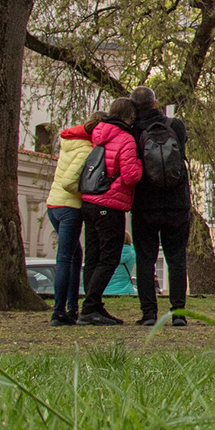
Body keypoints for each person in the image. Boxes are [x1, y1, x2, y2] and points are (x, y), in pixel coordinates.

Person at [128, 87, 194, 329]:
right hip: (177, 203)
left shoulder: (133, 131)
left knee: (146, 260)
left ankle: (148, 314)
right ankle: (178, 313)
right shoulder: (175, 126)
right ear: (155, 103)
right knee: (176, 258)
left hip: (145, 204)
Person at [78, 97, 142, 325]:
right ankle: (89, 307)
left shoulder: (98, 134)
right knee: (110, 256)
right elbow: (131, 174)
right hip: (109, 202)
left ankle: (93, 306)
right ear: (130, 115)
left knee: (93, 256)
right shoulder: (125, 138)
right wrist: (140, 162)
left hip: (89, 200)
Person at [45, 113, 98, 327]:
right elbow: (69, 182)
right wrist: (87, 194)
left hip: (54, 205)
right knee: (66, 258)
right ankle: (59, 311)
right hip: (69, 207)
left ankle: (71, 308)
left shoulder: (70, 144)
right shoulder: (86, 150)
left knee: (75, 256)